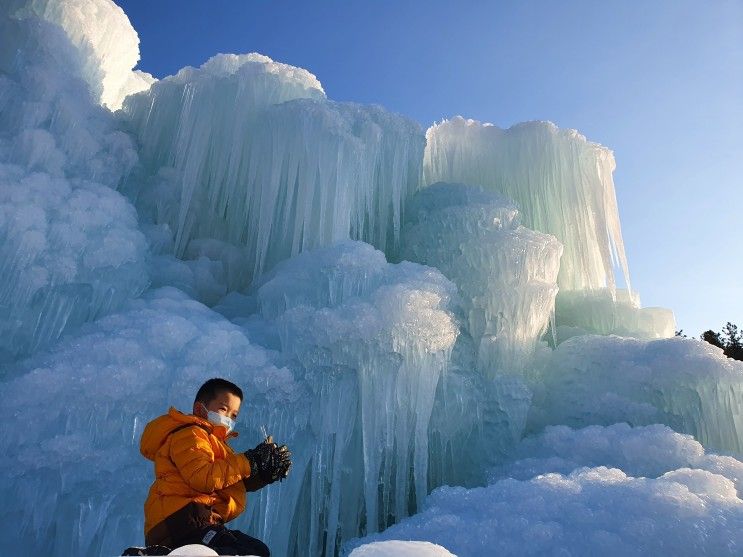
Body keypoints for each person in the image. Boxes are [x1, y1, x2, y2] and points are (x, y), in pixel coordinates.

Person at [137, 378, 291, 556]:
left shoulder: (215, 443)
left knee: (257, 550)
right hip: (180, 522)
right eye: (223, 409)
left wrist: (263, 472)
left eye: (234, 415)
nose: (228, 418)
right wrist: (250, 460)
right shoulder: (190, 434)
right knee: (241, 551)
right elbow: (203, 477)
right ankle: (154, 554)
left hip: (198, 522)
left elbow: (227, 480)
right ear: (199, 409)